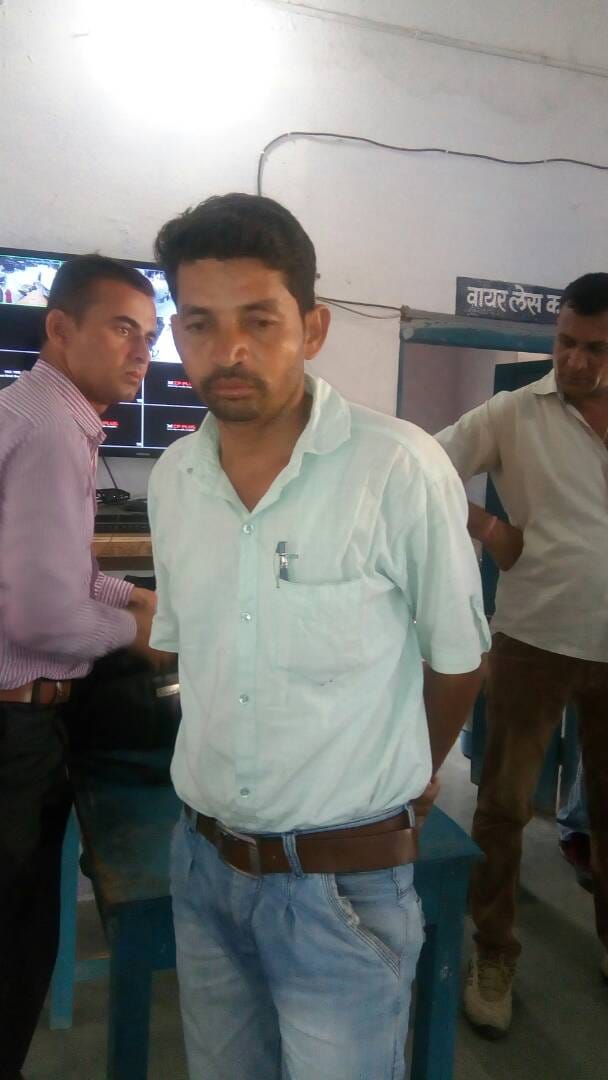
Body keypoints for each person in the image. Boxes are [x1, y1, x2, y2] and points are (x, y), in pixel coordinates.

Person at [147, 193, 490, 1080]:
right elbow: (191, 654)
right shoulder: (175, 479)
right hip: (204, 866)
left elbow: (458, 661)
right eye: (200, 323)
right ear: (177, 334)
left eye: (259, 320)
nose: (228, 350)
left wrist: (412, 778)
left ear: (314, 327)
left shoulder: (399, 468)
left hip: (343, 885)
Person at [0, 254, 159, 1080]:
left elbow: (66, 574)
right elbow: (45, 616)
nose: (142, 352)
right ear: (59, 328)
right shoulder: (54, 431)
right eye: (123, 328)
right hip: (12, 728)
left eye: (152, 335)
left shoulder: (36, 412)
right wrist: (141, 636)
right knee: (10, 956)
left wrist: (137, 598)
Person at [436, 272, 608, 1037]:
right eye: (566, 342)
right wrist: (490, 529)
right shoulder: (514, 412)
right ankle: (494, 951)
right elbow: (424, 466)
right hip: (535, 637)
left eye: (596, 348)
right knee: (505, 806)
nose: (575, 361)